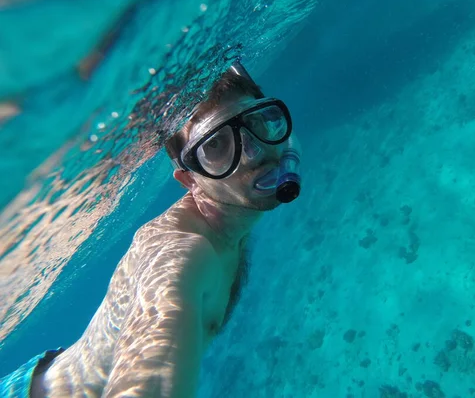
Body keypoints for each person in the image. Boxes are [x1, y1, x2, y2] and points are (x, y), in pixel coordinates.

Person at [0, 61, 301, 397]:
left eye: (259, 121)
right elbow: (151, 375)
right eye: (216, 146)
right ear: (189, 180)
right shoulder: (182, 253)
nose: (255, 153)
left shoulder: (231, 216)